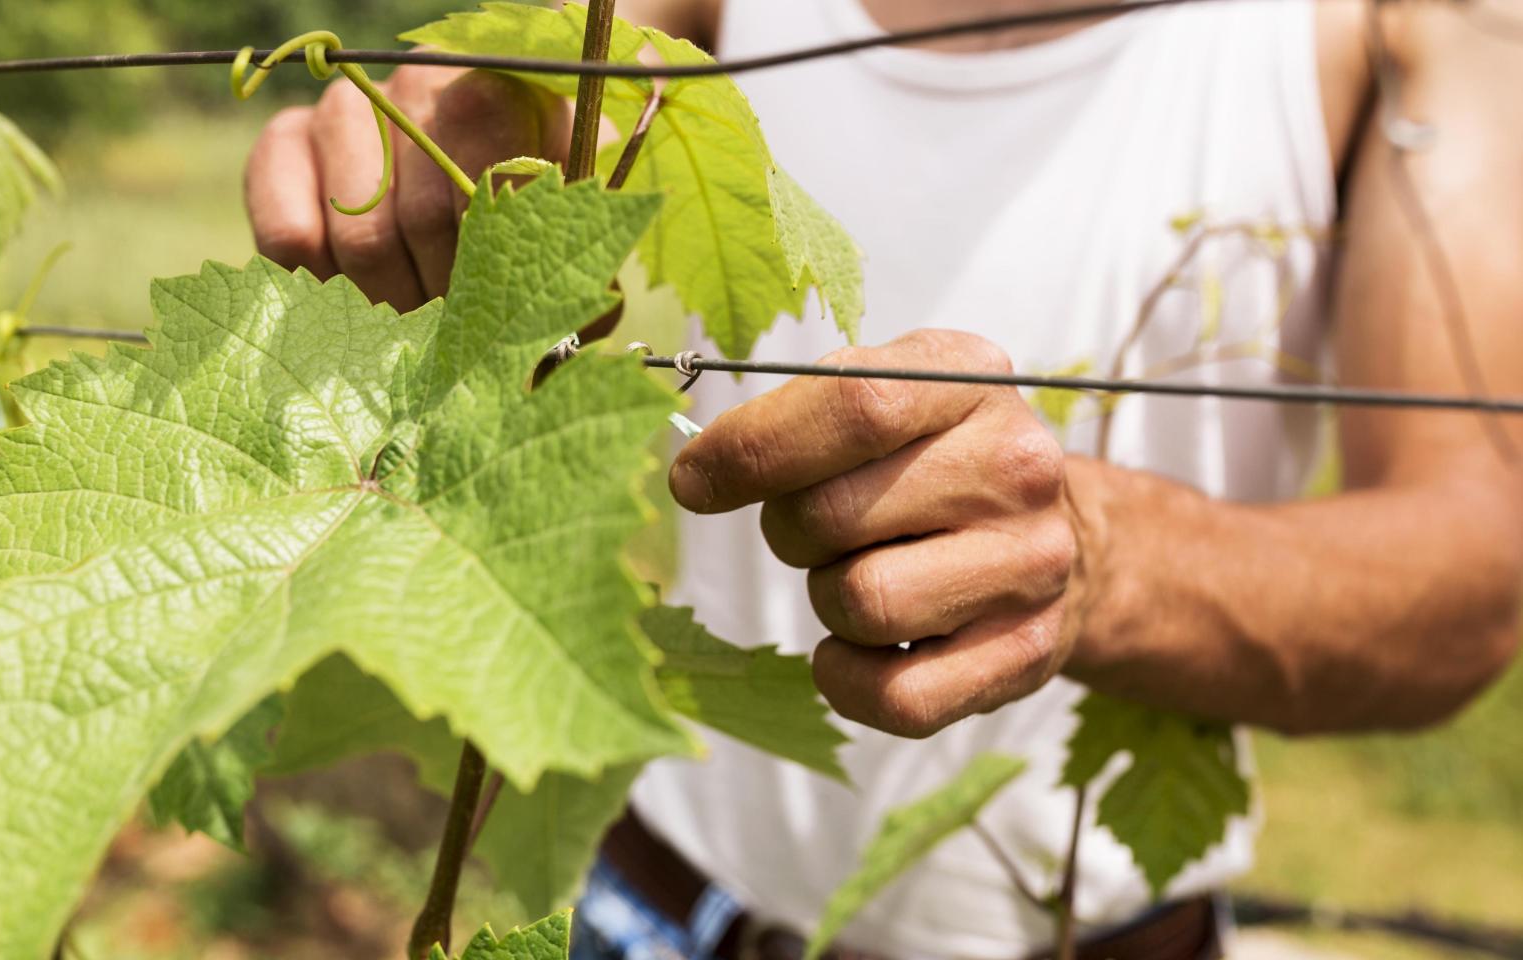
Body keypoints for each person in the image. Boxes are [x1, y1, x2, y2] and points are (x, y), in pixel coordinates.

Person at [243, 1, 1523, 957]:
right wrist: (438, 110)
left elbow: (1474, 571)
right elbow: (545, 66)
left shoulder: (1399, 29)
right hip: (649, 914)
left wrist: (1104, 557)